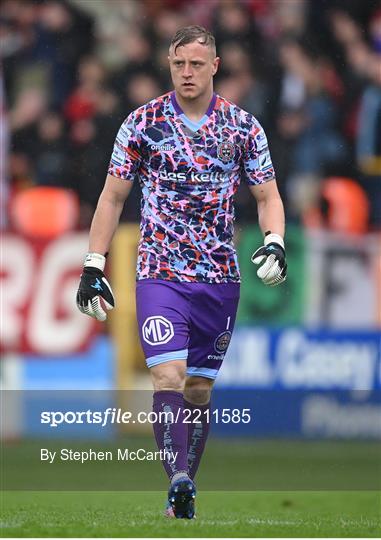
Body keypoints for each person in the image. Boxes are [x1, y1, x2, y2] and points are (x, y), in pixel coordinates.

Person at [76, 25, 287, 519]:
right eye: (178, 65)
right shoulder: (142, 123)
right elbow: (112, 196)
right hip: (159, 271)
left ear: (215, 66)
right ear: (168, 65)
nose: (186, 73)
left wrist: (274, 242)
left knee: (198, 389)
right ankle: (178, 481)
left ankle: (184, 487)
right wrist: (92, 264)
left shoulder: (242, 127)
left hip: (219, 276)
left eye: (196, 64)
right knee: (166, 379)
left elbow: (267, 195)